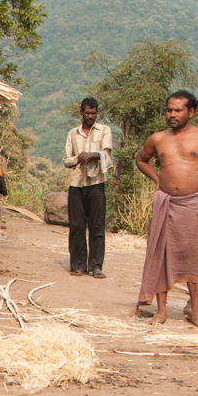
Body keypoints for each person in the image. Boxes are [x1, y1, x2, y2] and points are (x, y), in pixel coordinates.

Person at [133, 90, 198, 326]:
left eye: (178, 110)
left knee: (194, 256)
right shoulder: (157, 139)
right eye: (169, 110)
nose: (172, 114)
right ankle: (162, 312)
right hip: (166, 204)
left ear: (190, 112)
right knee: (162, 253)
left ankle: (196, 312)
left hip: (192, 204)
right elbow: (141, 160)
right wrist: (157, 179)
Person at [63, 97, 113, 278]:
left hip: (97, 183)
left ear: (96, 113)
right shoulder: (72, 133)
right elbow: (66, 160)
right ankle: (78, 265)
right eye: (87, 112)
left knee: (97, 225)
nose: (90, 116)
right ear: (81, 112)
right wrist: (78, 158)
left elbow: (107, 153)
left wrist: (92, 155)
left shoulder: (104, 130)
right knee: (76, 225)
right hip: (76, 183)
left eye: (93, 113)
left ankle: (96, 266)